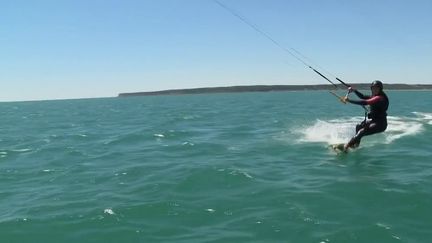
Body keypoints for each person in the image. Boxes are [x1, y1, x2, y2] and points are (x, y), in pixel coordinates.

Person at [342, 80, 389, 151]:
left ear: (380, 89)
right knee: (358, 126)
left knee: (362, 132)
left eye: (376, 88)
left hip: (380, 124)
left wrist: (349, 101)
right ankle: (355, 145)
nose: (374, 90)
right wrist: (354, 90)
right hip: (374, 121)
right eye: (373, 88)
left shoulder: (380, 98)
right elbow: (363, 96)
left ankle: (347, 146)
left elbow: (365, 102)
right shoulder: (374, 96)